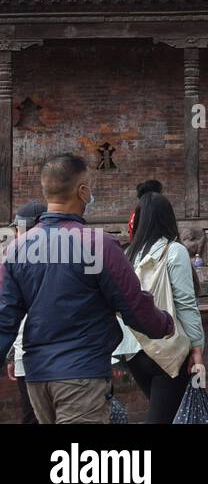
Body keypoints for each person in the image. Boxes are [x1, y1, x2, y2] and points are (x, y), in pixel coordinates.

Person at [0, 155, 174, 424]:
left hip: (37, 376)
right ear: (82, 191)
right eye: (89, 186)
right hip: (81, 373)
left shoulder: (17, 250)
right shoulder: (97, 245)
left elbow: (4, 319)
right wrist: (163, 324)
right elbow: (133, 305)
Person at [113, 192, 205, 423]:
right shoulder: (174, 251)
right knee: (164, 417)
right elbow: (186, 304)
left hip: (134, 349)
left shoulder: (127, 254)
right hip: (167, 346)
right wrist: (197, 347)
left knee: (166, 411)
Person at [3, 201, 46, 424]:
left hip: (30, 356)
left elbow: (11, 315)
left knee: (32, 417)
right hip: (59, 359)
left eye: (18, 230)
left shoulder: (16, 260)